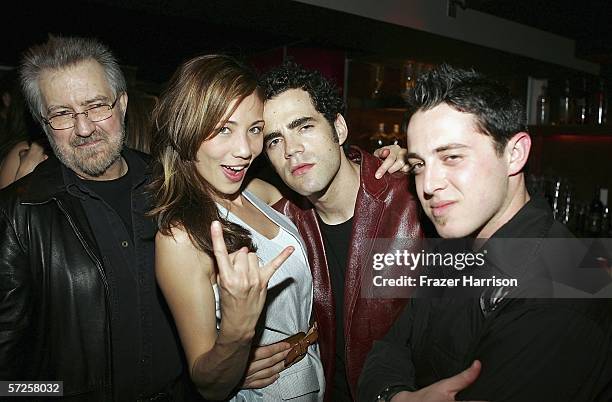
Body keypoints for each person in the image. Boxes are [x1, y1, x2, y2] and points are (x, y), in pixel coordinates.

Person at [358, 64, 612, 402]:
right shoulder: (452, 248)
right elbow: (387, 352)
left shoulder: (568, 288)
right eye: (419, 165)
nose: (429, 185)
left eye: (451, 157)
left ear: (515, 154)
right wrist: (397, 397)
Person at [0, 36, 197, 401]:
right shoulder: (17, 214)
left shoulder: (172, 186)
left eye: (96, 106)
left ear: (121, 105)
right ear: (43, 124)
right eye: (61, 114)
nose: (85, 128)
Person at [148, 54, 325, 401]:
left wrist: (378, 164)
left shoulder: (258, 191)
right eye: (224, 129)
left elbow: (329, 193)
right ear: (187, 129)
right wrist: (237, 333)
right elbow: (208, 384)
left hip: (315, 380)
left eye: (255, 129)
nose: (245, 150)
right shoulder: (179, 238)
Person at [258, 61, 424, 401]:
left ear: (339, 128)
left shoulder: (414, 200)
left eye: (303, 127)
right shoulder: (279, 230)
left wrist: (427, 163)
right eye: (275, 140)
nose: (291, 150)